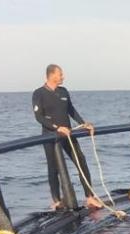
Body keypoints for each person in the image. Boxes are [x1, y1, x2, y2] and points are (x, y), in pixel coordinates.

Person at [32, 64, 103, 211]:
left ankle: (90, 197)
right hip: (50, 136)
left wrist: (83, 123)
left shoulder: (63, 91)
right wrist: (57, 127)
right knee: (53, 167)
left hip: (68, 135)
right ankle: (57, 200)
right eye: (60, 74)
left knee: (81, 161)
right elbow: (39, 117)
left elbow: (71, 110)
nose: (63, 77)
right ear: (52, 75)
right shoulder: (39, 93)